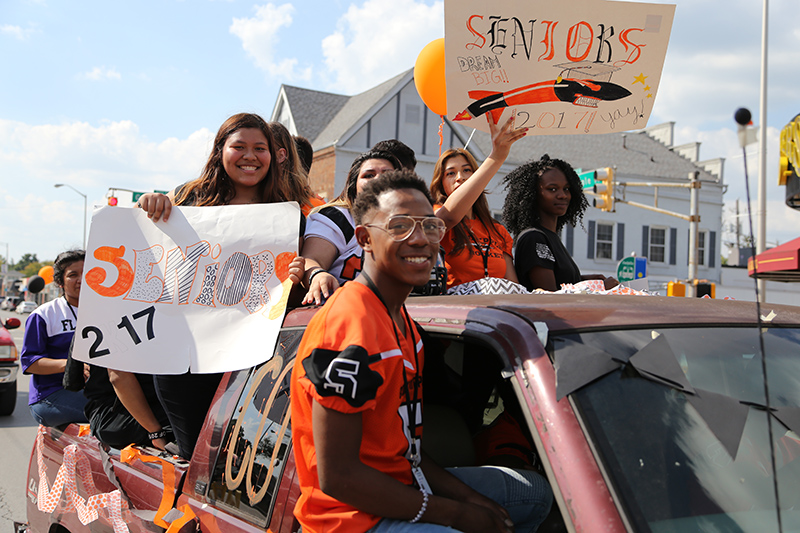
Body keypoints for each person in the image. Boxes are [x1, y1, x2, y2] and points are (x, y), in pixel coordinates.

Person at [290, 170, 552, 532]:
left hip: (403, 482)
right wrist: (456, 513)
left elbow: (406, 452)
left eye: (429, 226)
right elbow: (338, 476)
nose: (420, 239)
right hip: (349, 518)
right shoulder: (350, 327)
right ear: (364, 238)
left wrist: (469, 498)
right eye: (399, 226)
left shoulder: (404, 322)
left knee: (532, 493)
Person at [137, 112, 305, 458]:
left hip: (252, 364)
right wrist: (148, 205)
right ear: (220, 151)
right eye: (238, 146)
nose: (250, 156)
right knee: (197, 458)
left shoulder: (287, 215)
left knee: (240, 462)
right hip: (186, 364)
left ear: (273, 156)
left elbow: (289, 295)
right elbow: (142, 244)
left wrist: (298, 273)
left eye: (260, 148)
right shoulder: (187, 199)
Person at [430, 115, 526, 289]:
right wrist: (496, 157)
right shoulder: (435, 216)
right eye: (450, 173)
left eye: (467, 170)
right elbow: (449, 216)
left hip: (496, 310)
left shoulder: (498, 231)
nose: (460, 178)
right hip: (455, 310)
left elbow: (513, 286)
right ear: (441, 184)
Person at [502, 154, 618, 292]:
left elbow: (562, 281)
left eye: (566, 188)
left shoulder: (550, 236)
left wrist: (590, 279)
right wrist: (602, 289)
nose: (563, 195)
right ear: (532, 194)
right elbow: (551, 296)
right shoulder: (533, 238)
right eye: (552, 189)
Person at [300, 149, 401, 305]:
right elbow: (312, 258)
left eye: (387, 174)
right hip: (339, 311)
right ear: (354, 186)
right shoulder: (337, 217)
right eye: (369, 175)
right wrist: (318, 275)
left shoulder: (409, 222)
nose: (378, 179)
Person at [21, 250, 89, 427]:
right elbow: (30, 362)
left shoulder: (106, 311)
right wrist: (72, 366)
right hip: (51, 396)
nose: (81, 280)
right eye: (73, 275)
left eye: (87, 272)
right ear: (59, 281)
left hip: (94, 390)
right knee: (111, 410)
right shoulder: (43, 315)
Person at [267, 121, 325, 216]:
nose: (251, 157)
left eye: (260, 149)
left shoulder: (314, 210)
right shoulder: (248, 200)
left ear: (281, 156)